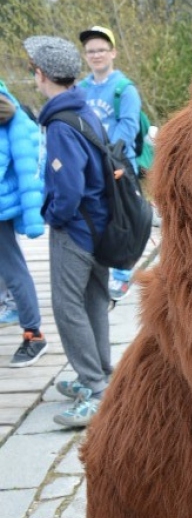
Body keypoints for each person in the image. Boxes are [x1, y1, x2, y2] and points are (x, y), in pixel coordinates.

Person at [24, 35, 112, 427]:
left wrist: (55, 217)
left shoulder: (59, 124)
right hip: (99, 225)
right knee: (93, 298)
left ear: (42, 75)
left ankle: (94, 388)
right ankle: (102, 374)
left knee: (66, 306)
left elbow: (69, 187)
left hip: (75, 229)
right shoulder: (84, 109)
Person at [78, 25, 141, 301]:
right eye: (91, 51)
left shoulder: (124, 89)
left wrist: (106, 156)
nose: (96, 55)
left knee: (121, 220)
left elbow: (128, 128)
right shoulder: (80, 89)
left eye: (101, 49)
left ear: (112, 52)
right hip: (90, 168)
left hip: (117, 165)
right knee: (98, 219)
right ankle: (100, 272)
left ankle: (123, 275)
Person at [0, 80, 47, 365]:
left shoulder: (8, 112)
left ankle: (34, 334)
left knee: (13, 270)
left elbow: (25, 164)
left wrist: (32, 218)